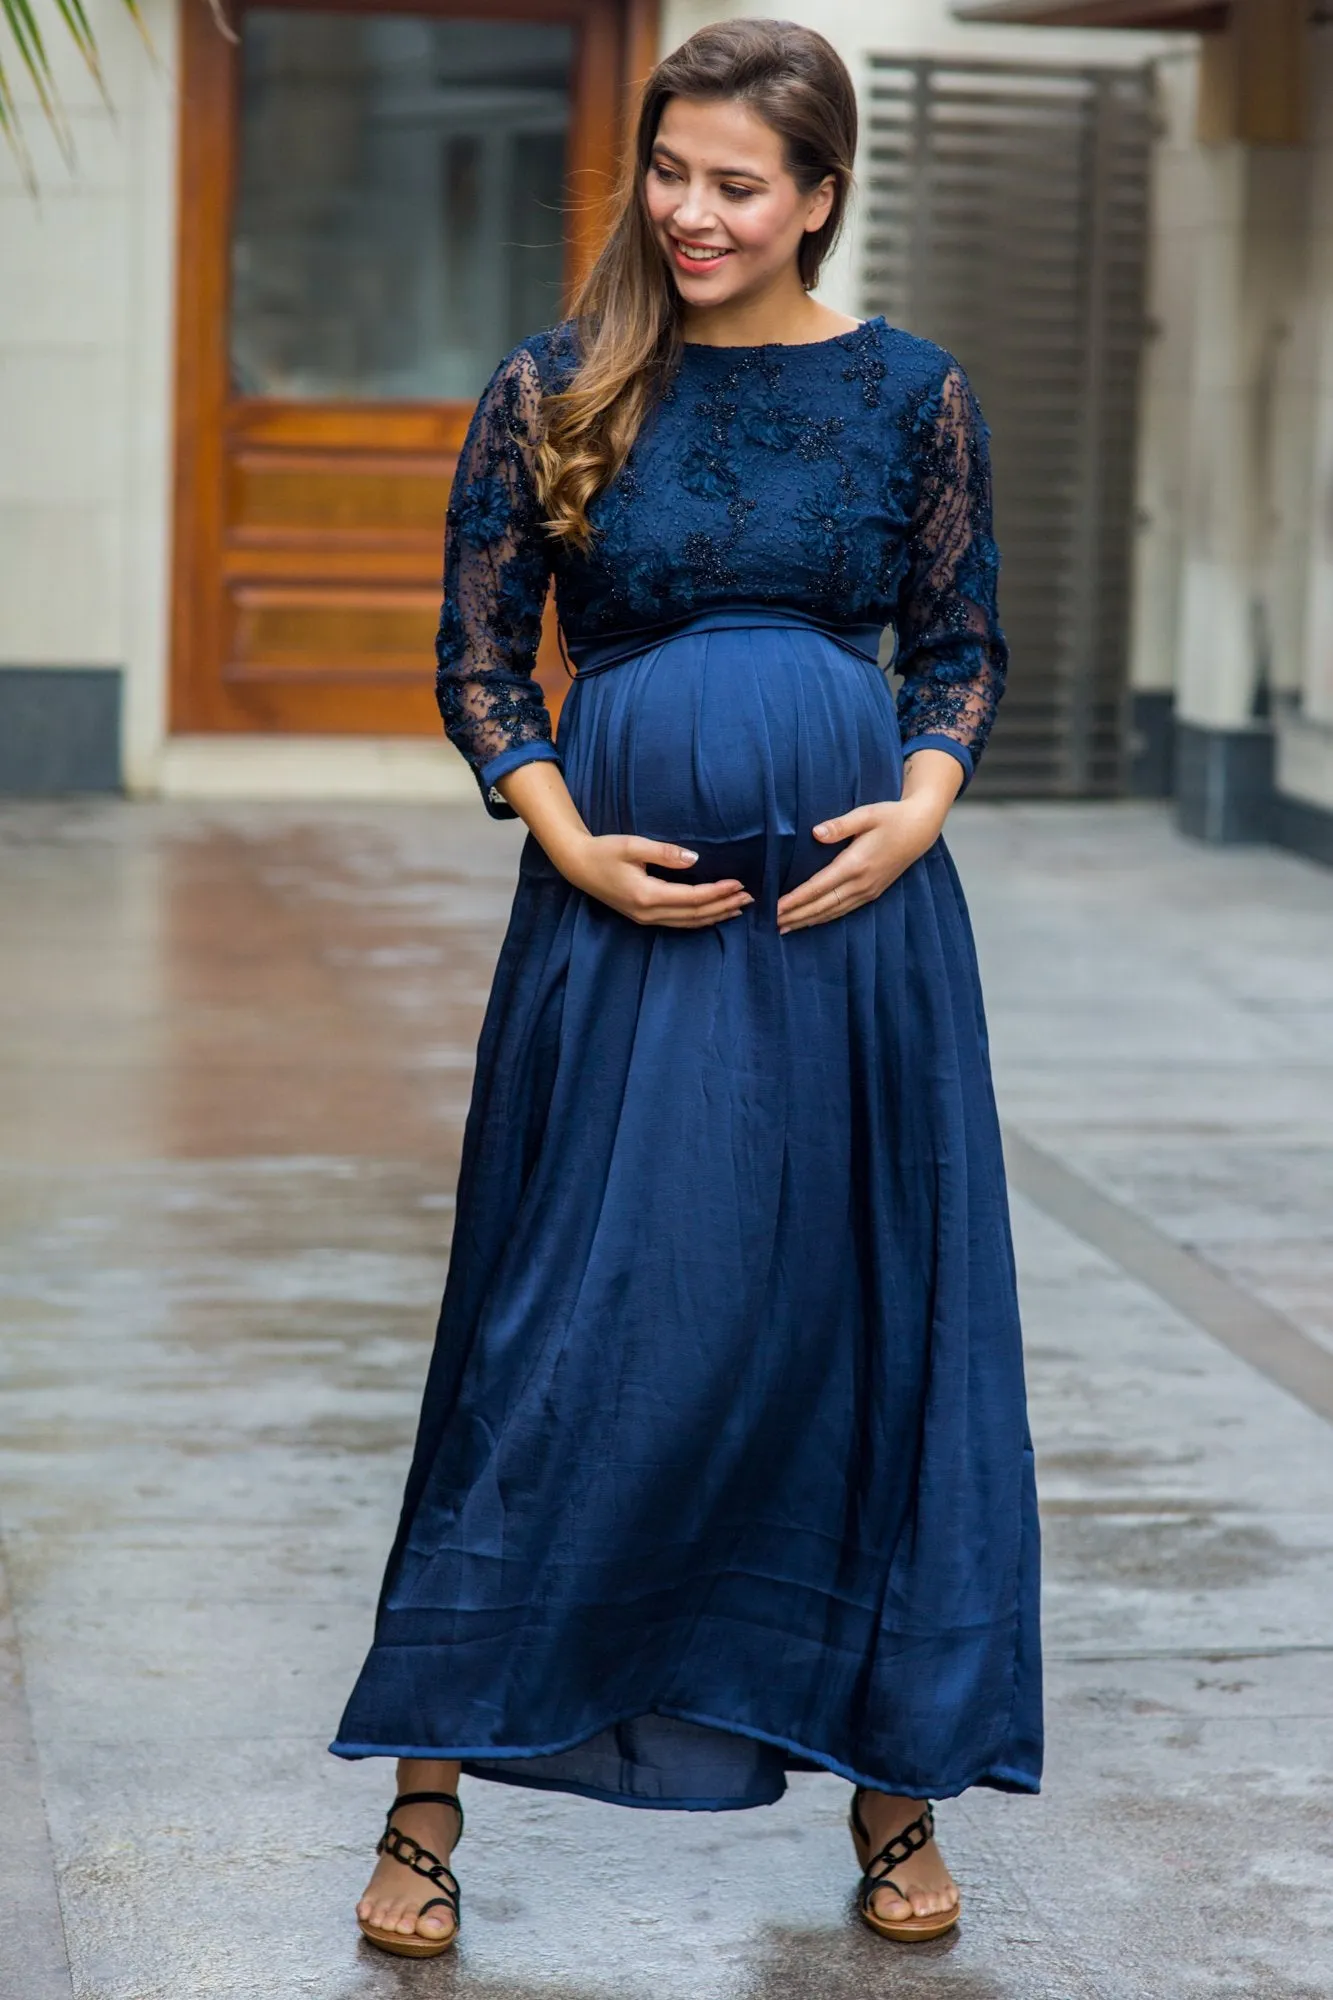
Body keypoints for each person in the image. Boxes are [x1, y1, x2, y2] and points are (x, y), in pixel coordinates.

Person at [334, 16, 1042, 1959]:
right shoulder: (556, 386)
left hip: (853, 938)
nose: (695, 211)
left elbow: (960, 645)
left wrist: (916, 810)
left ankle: (894, 1803)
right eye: (674, 173)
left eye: (740, 183)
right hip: (614, 936)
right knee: (564, 1327)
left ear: (821, 195)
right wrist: (556, 828)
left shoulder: (913, 393)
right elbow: (481, 657)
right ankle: (424, 1793)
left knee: (855, 1319)